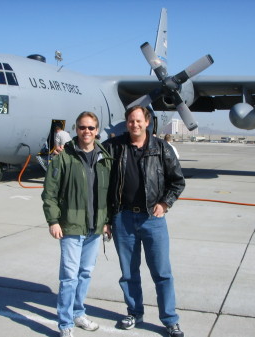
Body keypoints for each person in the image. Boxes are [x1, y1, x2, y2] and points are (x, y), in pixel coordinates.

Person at [103, 106, 186, 337]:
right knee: (129, 272)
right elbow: (97, 172)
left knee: (162, 272)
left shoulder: (161, 148)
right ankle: (134, 312)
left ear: (147, 122)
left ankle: (170, 319)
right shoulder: (115, 147)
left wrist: (165, 203)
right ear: (126, 122)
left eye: (138, 121)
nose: (134, 125)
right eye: (130, 121)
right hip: (123, 218)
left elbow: (177, 181)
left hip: (152, 218)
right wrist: (107, 218)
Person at [42, 111, 113, 337]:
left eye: (91, 128)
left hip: (95, 227)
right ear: (76, 129)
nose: (87, 132)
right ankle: (65, 324)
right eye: (83, 127)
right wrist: (53, 220)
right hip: (71, 226)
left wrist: (107, 221)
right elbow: (49, 192)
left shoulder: (104, 158)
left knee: (85, 273)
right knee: (69, 276)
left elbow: (109, 194)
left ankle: (78, 312)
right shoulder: (63, 157)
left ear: (97, 130)